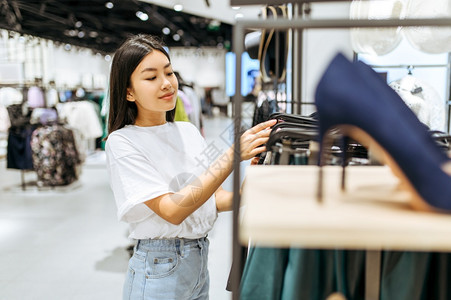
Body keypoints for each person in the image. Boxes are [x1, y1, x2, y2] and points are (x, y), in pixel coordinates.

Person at [104, 34, 276, 300]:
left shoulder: (187, 130)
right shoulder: (123, 142)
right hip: (158, 268)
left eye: (169, 73)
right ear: (128, 91)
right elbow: (172, 211)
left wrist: (252, 182)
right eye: (151, 77)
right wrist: (231, 156)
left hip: (197, 262)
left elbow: (215, 200)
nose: (166, 84)